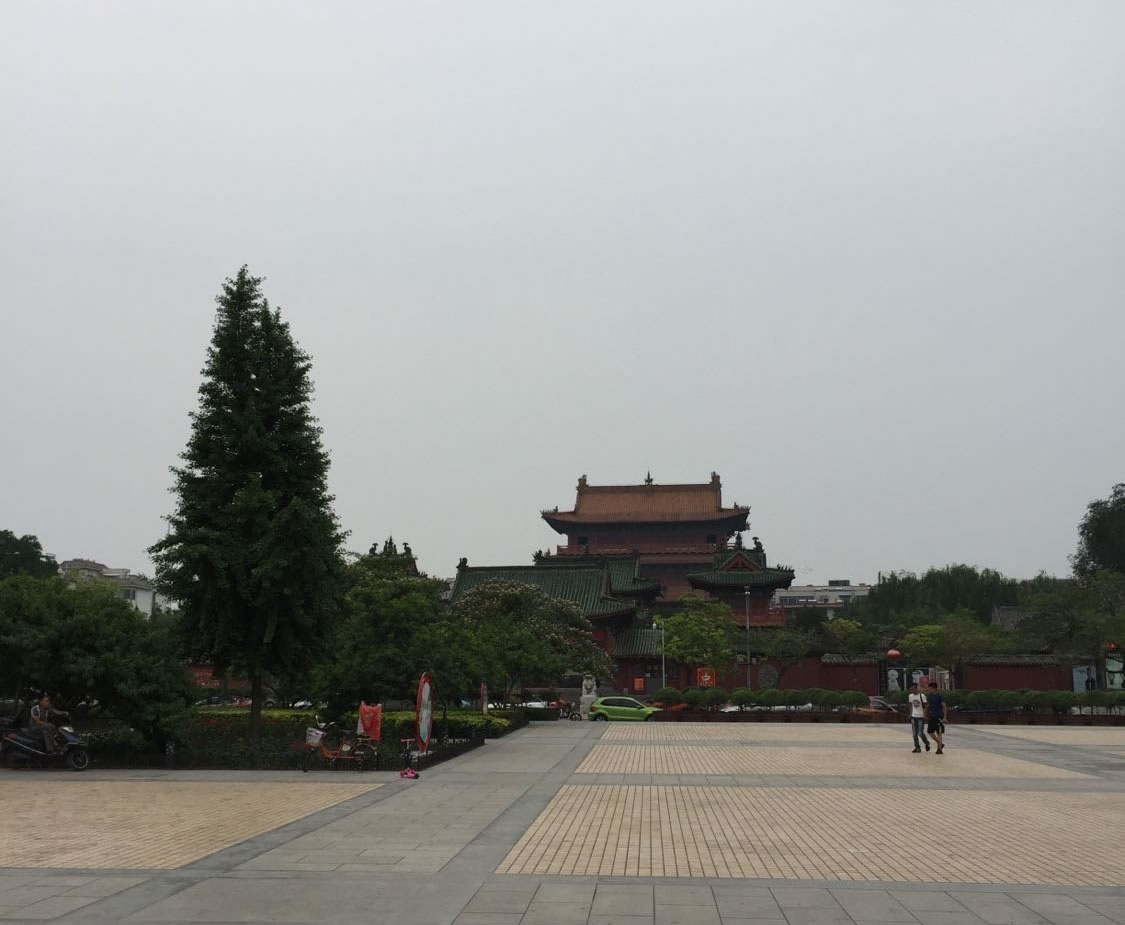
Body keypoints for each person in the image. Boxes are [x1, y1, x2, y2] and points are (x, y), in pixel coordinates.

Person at [907, 683, 930, 753]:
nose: (912, 690)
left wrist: (925, 715)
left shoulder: (922, 696)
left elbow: (926, 706)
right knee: (914, 734)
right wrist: (910, 714)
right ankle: (917, 748)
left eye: (913, 689)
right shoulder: (910, 696)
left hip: (921, 716)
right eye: (911, 689)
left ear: (916, 689)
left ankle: (927, 743)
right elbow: (910, 705)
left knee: (920, 733)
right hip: (914, 716)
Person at [926, 682, 946, 755]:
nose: (928, 689)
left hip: (939, 717)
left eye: (929, 688)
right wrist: (925, 711)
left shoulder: (939, 696)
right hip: (932, 716)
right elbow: (928, 705)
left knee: (939, 733)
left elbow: (944, 706)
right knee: (930, 732)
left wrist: (945, 717)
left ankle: (939, 749)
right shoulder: (930, 696)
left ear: (933, 688)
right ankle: (940, 743)